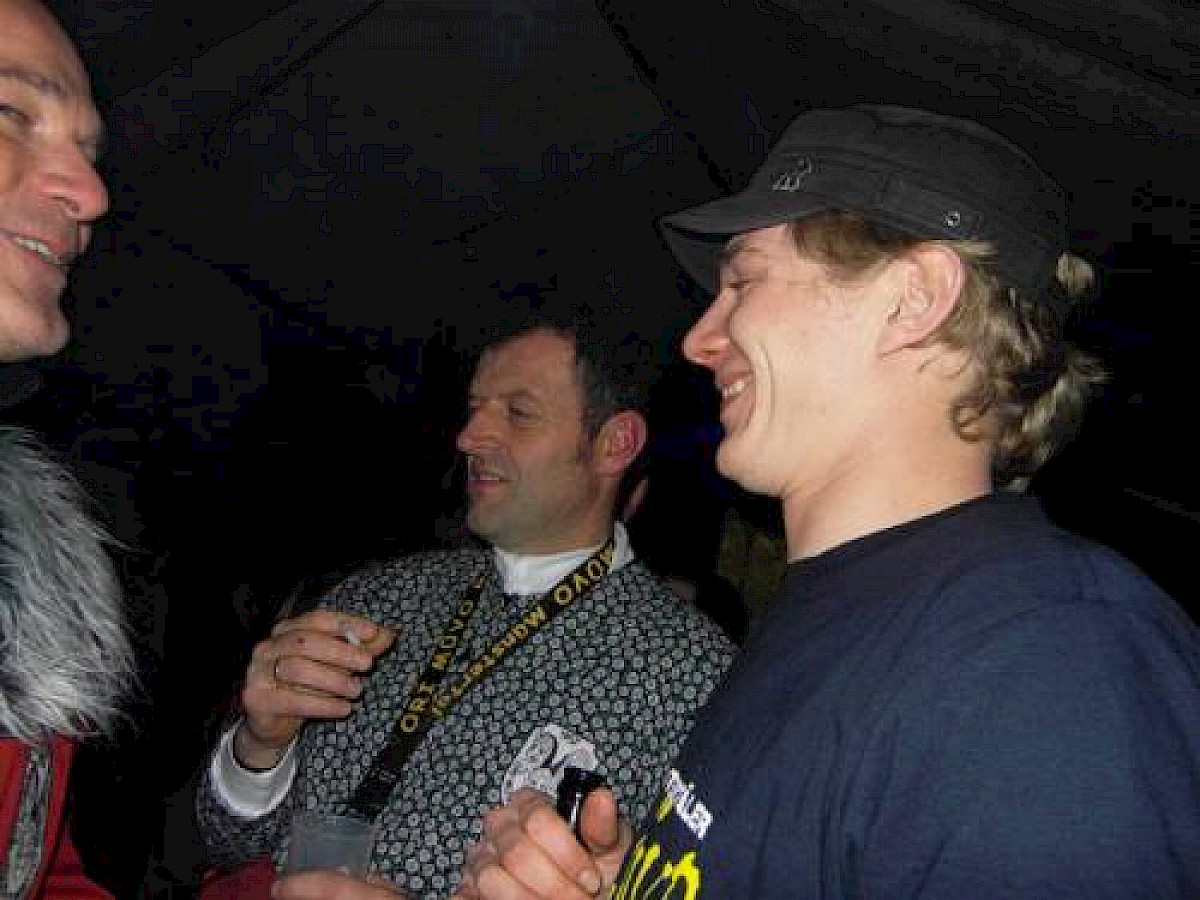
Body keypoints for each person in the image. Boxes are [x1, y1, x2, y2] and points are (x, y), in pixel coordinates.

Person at [455, 105, 1200, 899]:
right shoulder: (846, 618)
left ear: (913, 298)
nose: (699, 340)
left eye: (742, 280)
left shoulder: (1047, 659)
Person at [193, 316, 736, 900]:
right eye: (475, 410)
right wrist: (261, 745)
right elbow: (225, 844)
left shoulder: (695, 679)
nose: (470, 437)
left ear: (615, 444)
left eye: (518, 413)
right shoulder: (375, 599)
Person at [0, 1, 135, 898]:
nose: (92, 196)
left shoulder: (33, 570)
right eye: (11, 113)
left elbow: (41, 875)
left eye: (88, 151)